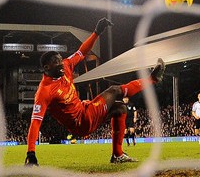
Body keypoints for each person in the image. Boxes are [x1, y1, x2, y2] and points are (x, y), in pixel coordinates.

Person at [24, 18, 166, 166]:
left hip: (85, 109)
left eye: (60, 60)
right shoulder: (44, 92)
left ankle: (117, 154)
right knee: (114, 90)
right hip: (82, 122)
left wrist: (96, 32)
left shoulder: (66, 66)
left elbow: (81, 51)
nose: (61, 64)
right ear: (46, 68)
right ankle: (152, 79)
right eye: (56, 62)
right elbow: (35, 122)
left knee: (120, 108)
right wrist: (31, 153)